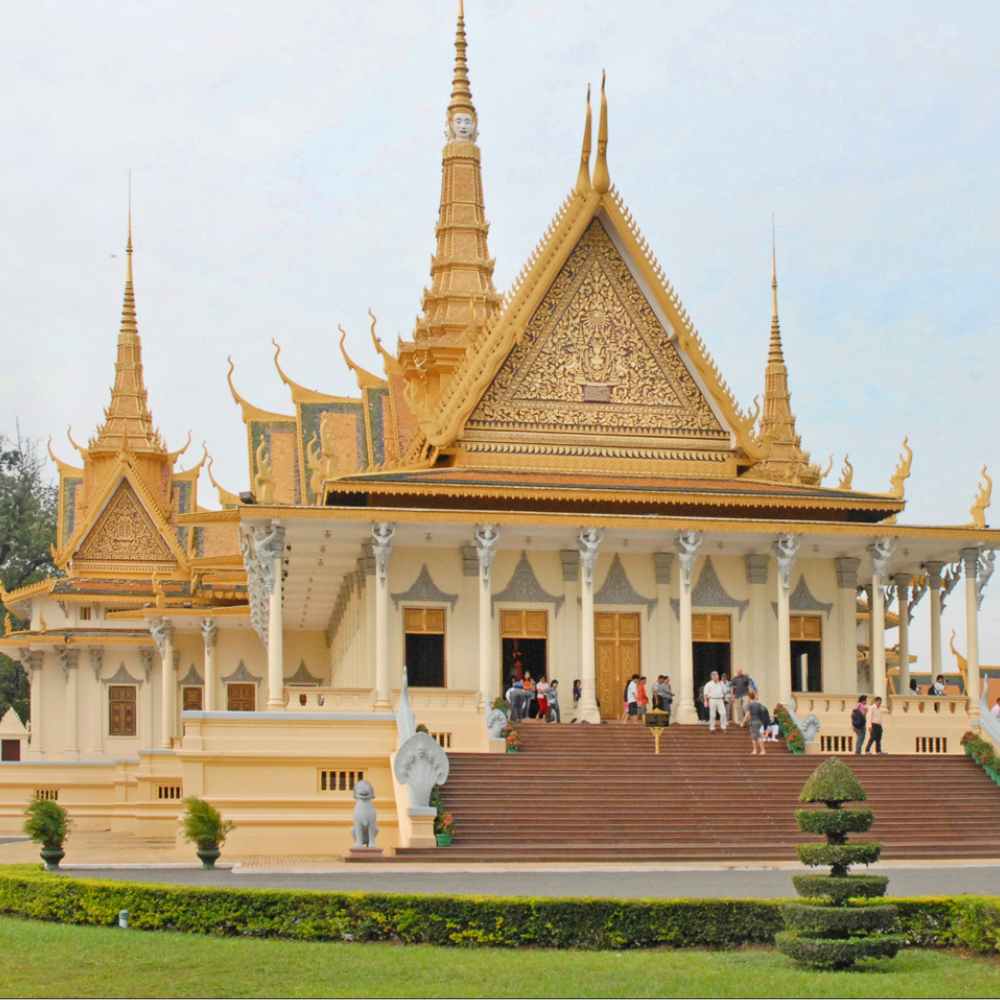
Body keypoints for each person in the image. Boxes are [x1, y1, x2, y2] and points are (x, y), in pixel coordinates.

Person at [746, 689, 767, 755]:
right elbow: (764, 711)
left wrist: (743, 722)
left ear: (749, 697)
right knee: (757, 736)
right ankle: (758, 750)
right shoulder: (759, 704)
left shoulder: (750, 705)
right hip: (759, 721)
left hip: (753, 722)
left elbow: (748, 714)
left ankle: (760, 750)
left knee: (755, 737)